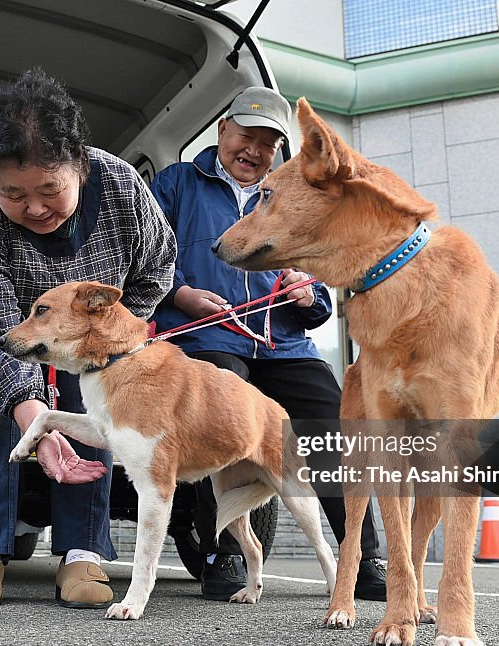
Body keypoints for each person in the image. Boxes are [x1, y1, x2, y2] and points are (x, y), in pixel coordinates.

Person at [0, 68, 176, 607]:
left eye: (50, 190)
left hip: (81, 327)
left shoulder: (125, 189)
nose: (34, 208)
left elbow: (156, 271)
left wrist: (105, 340)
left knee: (107, 388)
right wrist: (35, 418)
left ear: (79, 166)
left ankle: (82, 555)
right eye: (14, 194)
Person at [150, 86, 387, 602]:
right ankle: (224, 551)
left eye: (268, 142)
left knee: (332, 410)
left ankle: (364, 556)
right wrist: (182, 293)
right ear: (222, 131)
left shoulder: (290, 193)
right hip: (206, 336)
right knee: (222, 400)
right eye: (246, 136)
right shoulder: (177, 184)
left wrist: (307, 296)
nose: (254, 151)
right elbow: (146, 259)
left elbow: (323, 299)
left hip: (284, 344)